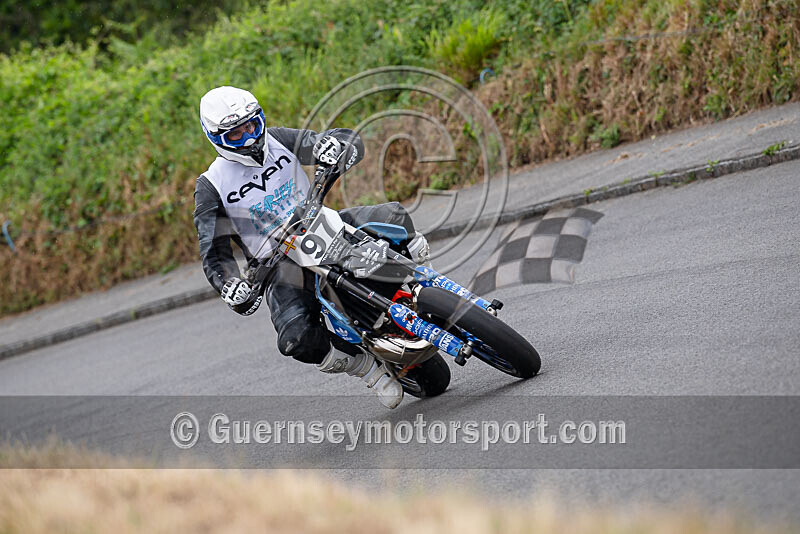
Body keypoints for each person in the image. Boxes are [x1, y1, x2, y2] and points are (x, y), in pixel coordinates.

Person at [193, 86, 430, 408]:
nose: (248, 138)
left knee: (394, 216)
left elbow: (331, 141)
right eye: (235, 134)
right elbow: (214, 250)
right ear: (216, 137)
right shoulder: (211, 186)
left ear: (259, 119)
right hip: (278, 262)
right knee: (296, 339)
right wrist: (230, 285)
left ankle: (422, 279)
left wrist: (336, 145)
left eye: (251, 125)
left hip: (323, 223)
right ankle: (369, 370)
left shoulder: (279, 138)